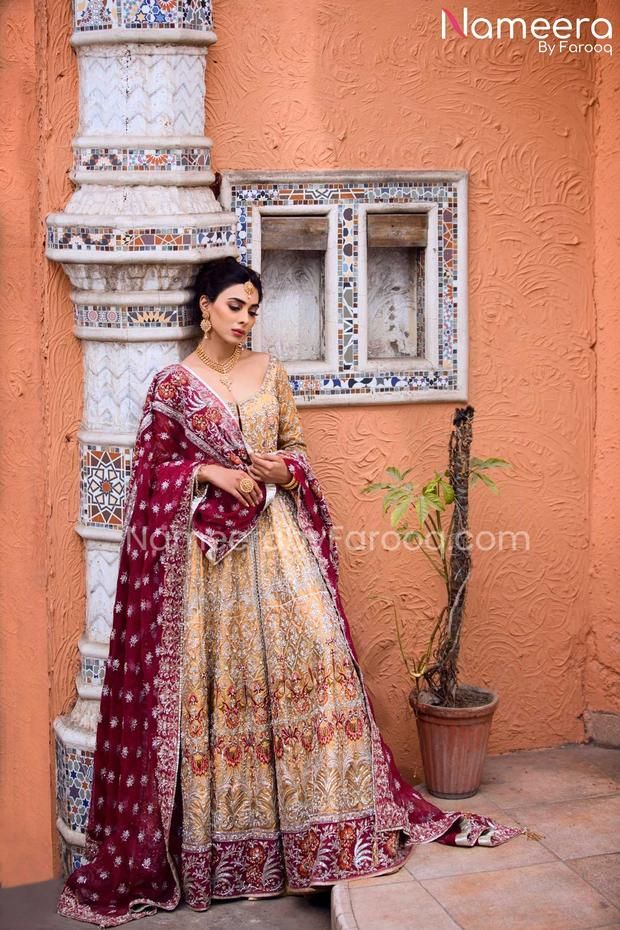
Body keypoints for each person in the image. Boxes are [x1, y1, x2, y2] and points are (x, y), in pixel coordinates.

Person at [57, 256, 523, 926]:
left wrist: (280, 469)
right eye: (234, 306)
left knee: (318, 663)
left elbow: (297, 449)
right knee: (225, 693)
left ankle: (320, 836)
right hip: (207, 568)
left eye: (252, 309)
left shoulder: (271, 374)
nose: (245, 320)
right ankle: (229, 850)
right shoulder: (172, 387)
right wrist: (211, 475)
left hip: (277, 545)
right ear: (204, 308)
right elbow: (149, 477)